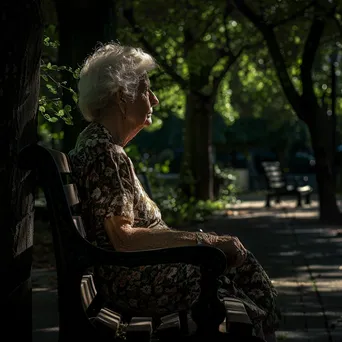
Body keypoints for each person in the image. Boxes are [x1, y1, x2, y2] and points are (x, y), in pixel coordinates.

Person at [68, 43, 280, 341]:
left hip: (135, 274)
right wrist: (204, 241)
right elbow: (123, 239)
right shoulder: (104, 152)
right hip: (133, 280)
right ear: (122, 97)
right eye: (145, 90)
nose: (154, 99)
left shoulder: (102, 146)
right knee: (237, 275)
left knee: (240, 269)